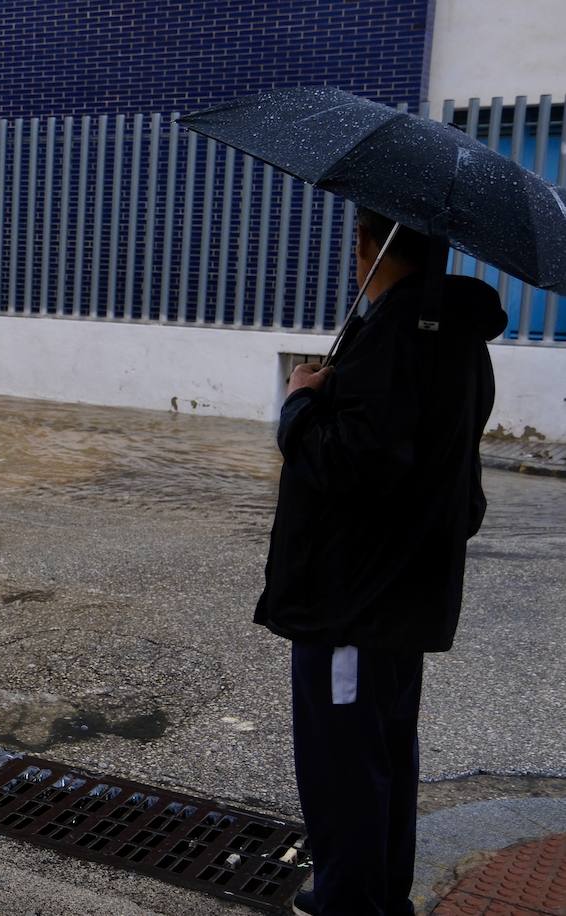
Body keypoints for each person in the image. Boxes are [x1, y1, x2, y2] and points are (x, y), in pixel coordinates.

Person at [255, 208, 507, 916]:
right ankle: (367, 889)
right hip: (401, 590)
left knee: (345, 765)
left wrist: (300, 405)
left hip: (353, 599)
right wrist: (336, 385)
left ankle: (353, 902)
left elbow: (352, 464)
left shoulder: (399, 337)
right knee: (385, 751)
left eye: (355, 240)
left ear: (368, 243)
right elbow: (419, 449)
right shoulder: (451, 336)